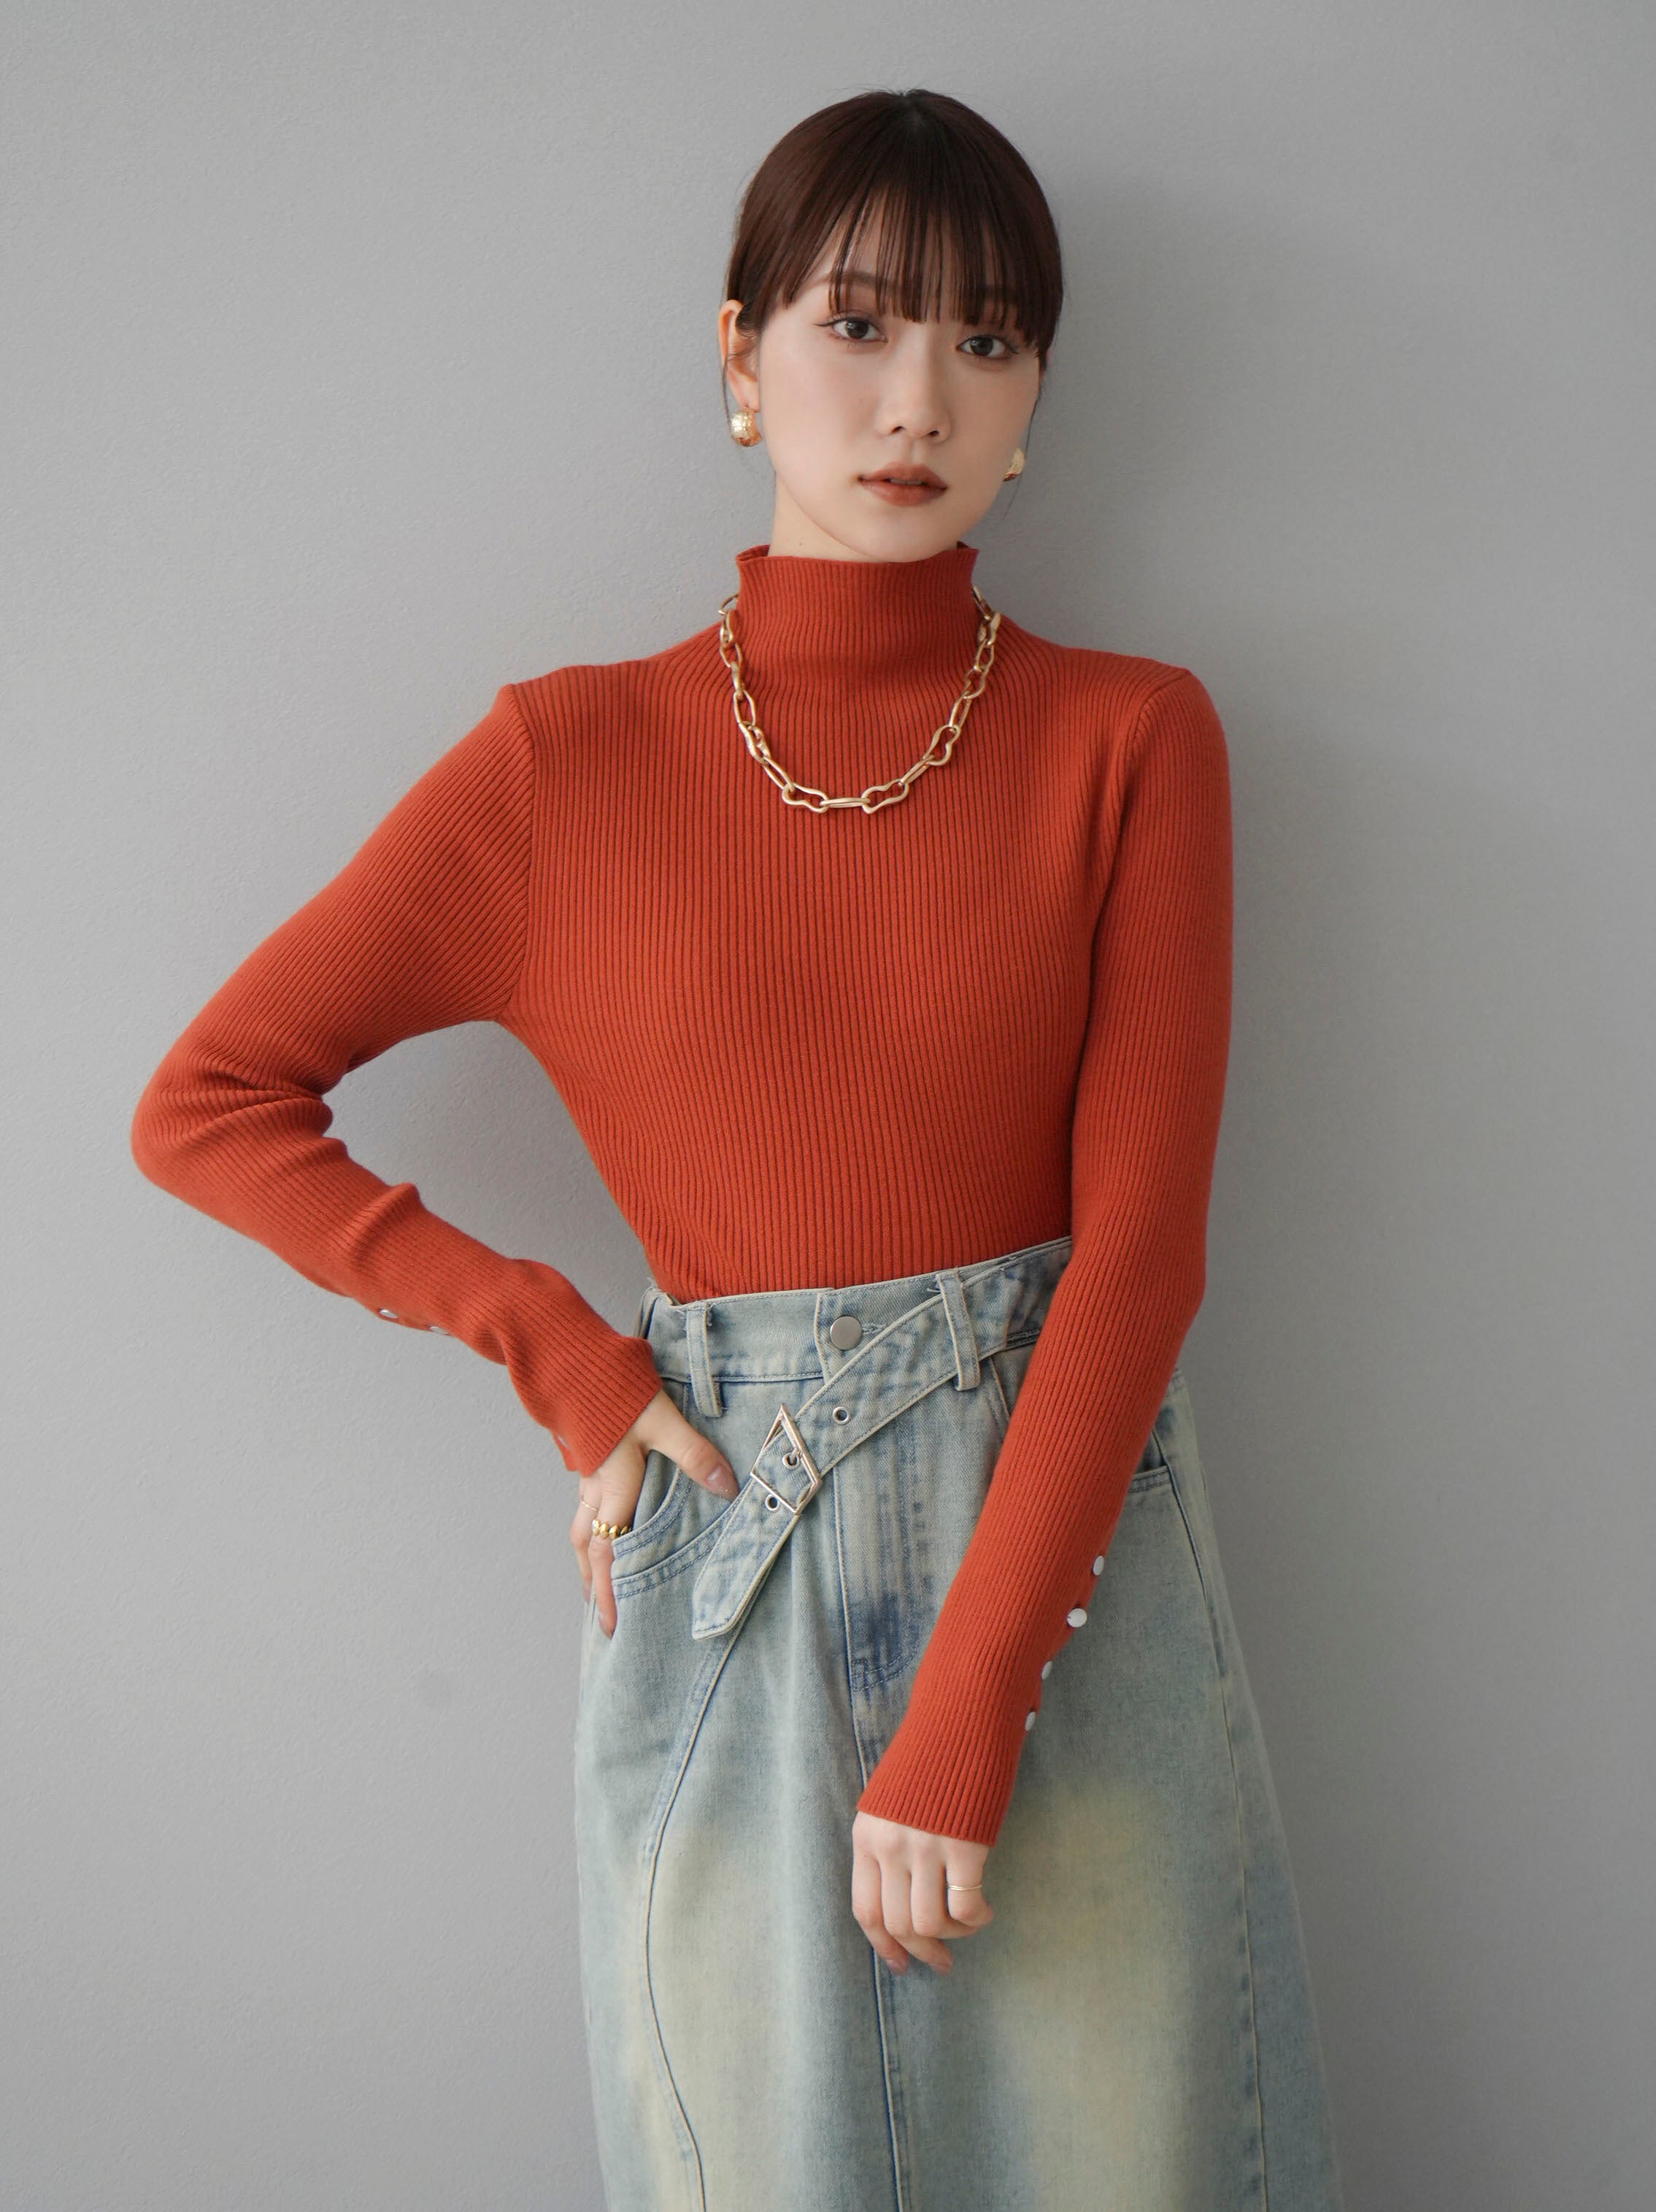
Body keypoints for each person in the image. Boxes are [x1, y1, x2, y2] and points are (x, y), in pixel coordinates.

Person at [131, 85, 1344, 2212]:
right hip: (728, 1557)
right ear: (739, 357)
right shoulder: (562, 762)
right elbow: (209, 1104)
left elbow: (1142, 1255)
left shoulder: (1130, 738)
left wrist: (967, 1709)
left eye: (987, 340)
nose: (919, 398)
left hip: (1061, 1562)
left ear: (1034, 397)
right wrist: (558, 1351)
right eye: (858, 325)